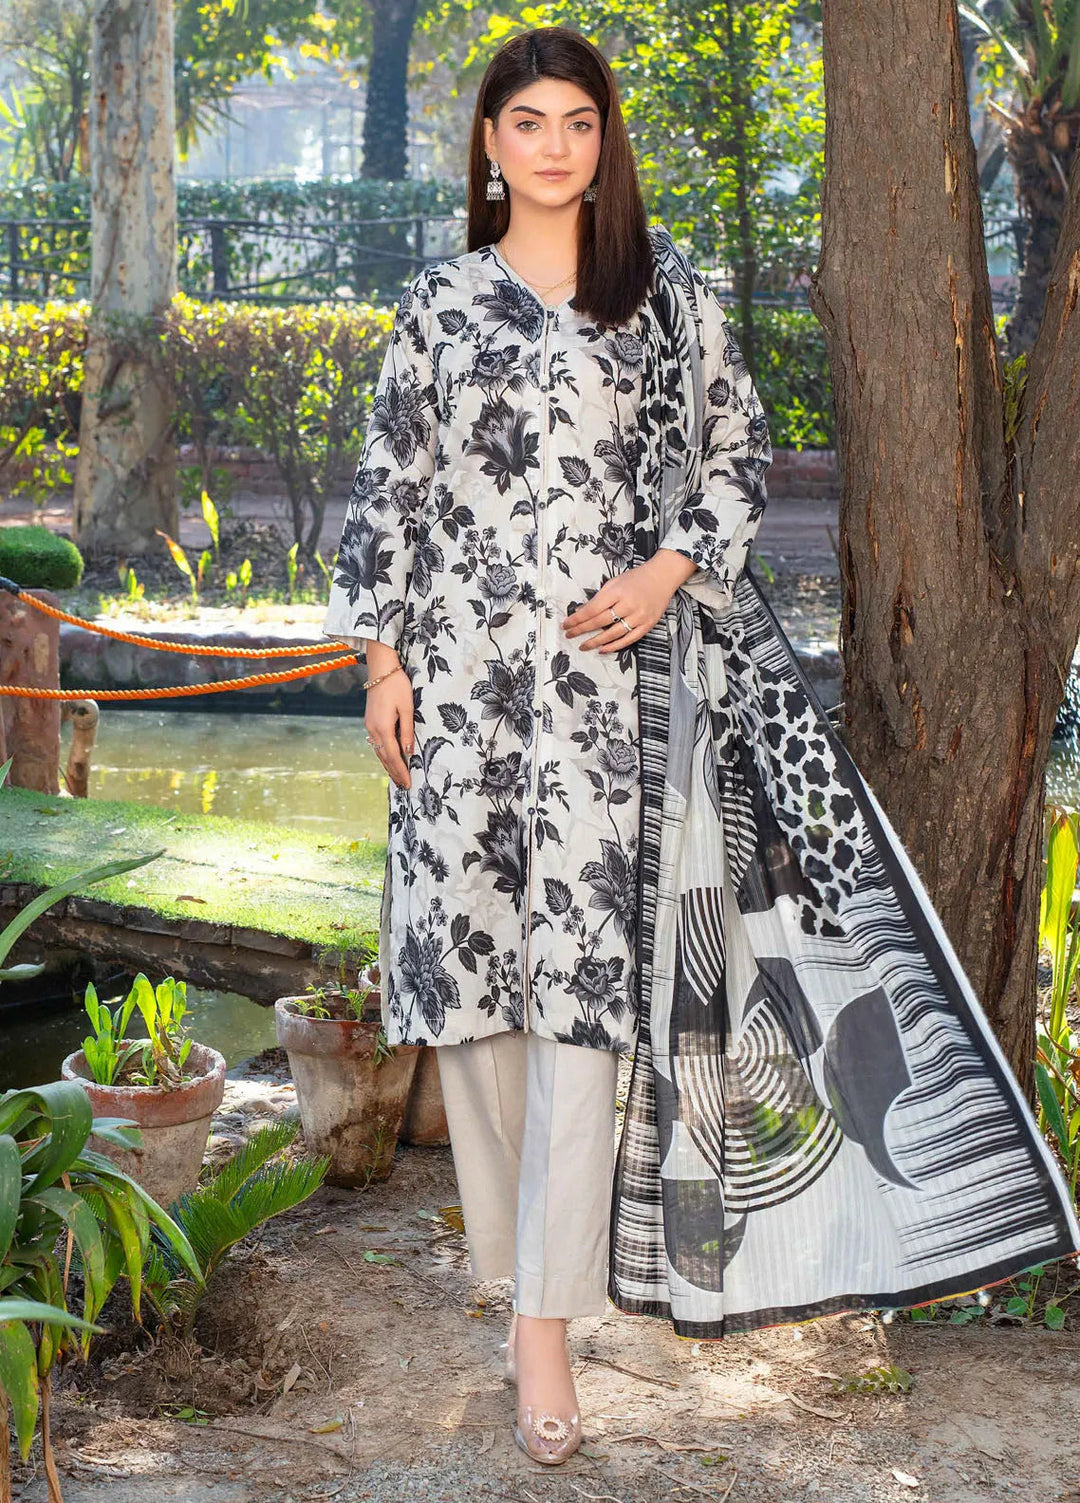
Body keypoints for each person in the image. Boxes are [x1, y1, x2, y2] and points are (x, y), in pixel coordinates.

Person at [323, 24, 1080, 1469]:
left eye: (579, 122)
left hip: (610, 708)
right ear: (489, 143)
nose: (556, 145)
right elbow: (389, 497)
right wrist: (384, 662)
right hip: (464, 705)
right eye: (529, 122)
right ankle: (518, 1277)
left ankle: (542, 1330)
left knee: (580, 1007)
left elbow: (738, 456)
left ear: (604, 142)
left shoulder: (662, 297)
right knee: (471, 1003)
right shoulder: (437, 307)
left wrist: (669, 571)